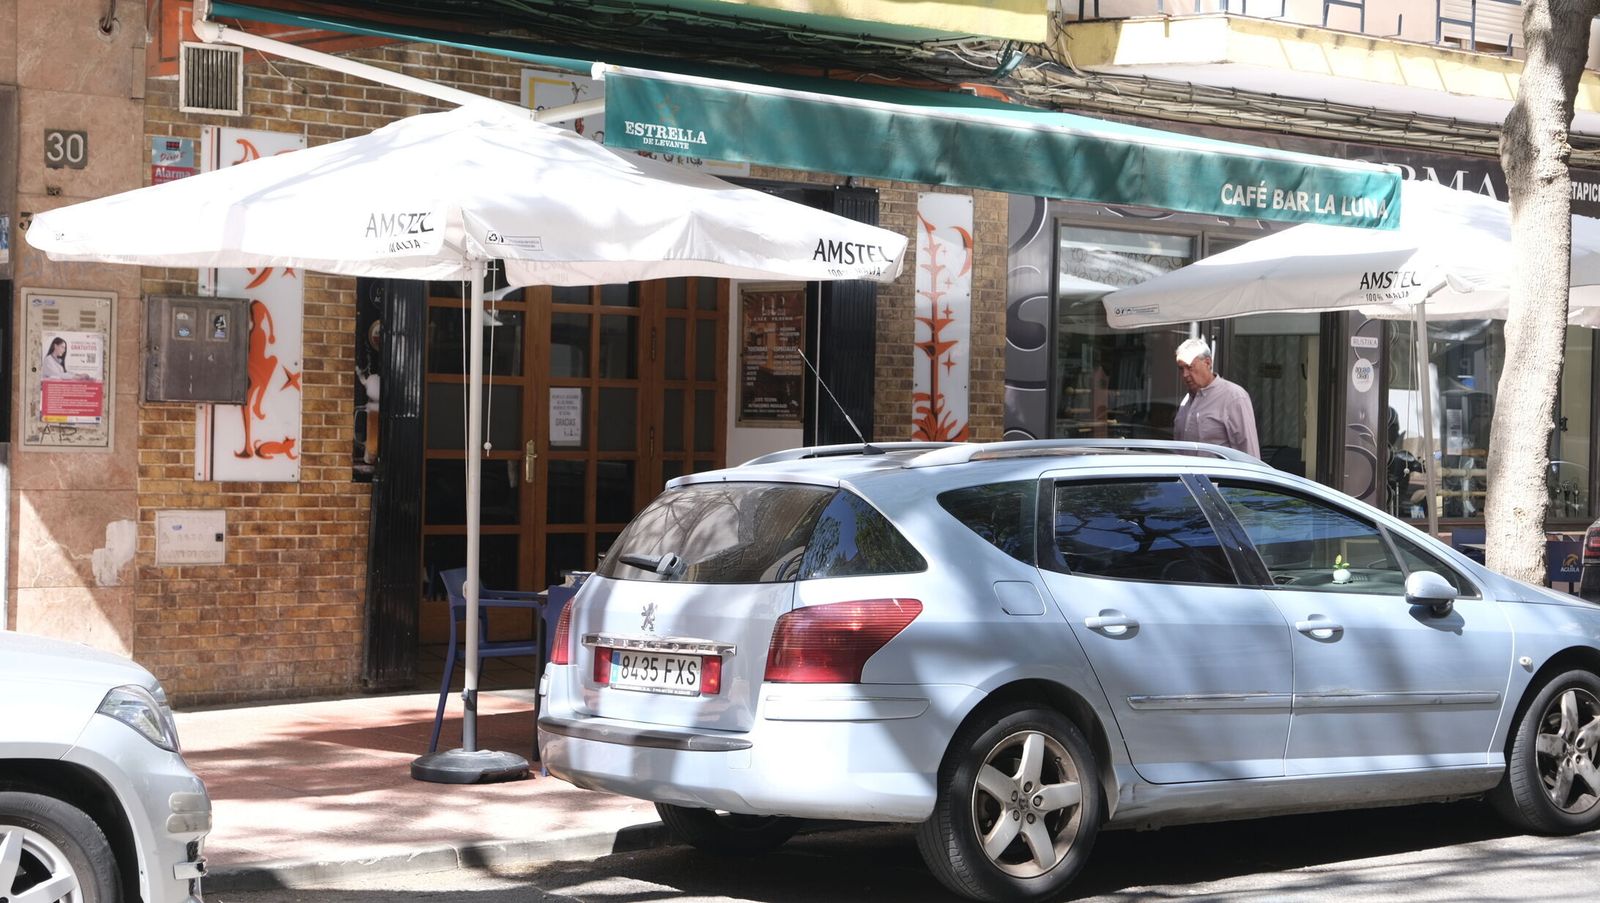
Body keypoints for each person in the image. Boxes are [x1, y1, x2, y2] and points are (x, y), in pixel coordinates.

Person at [1172, 337, 1260, 459]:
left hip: (1218, 477)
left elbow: (1249, 453)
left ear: (1208, 363)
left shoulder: (1234, 397)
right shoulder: (1188, 399)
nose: (1185, 374)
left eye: (1190, 367)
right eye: (1181, 369)